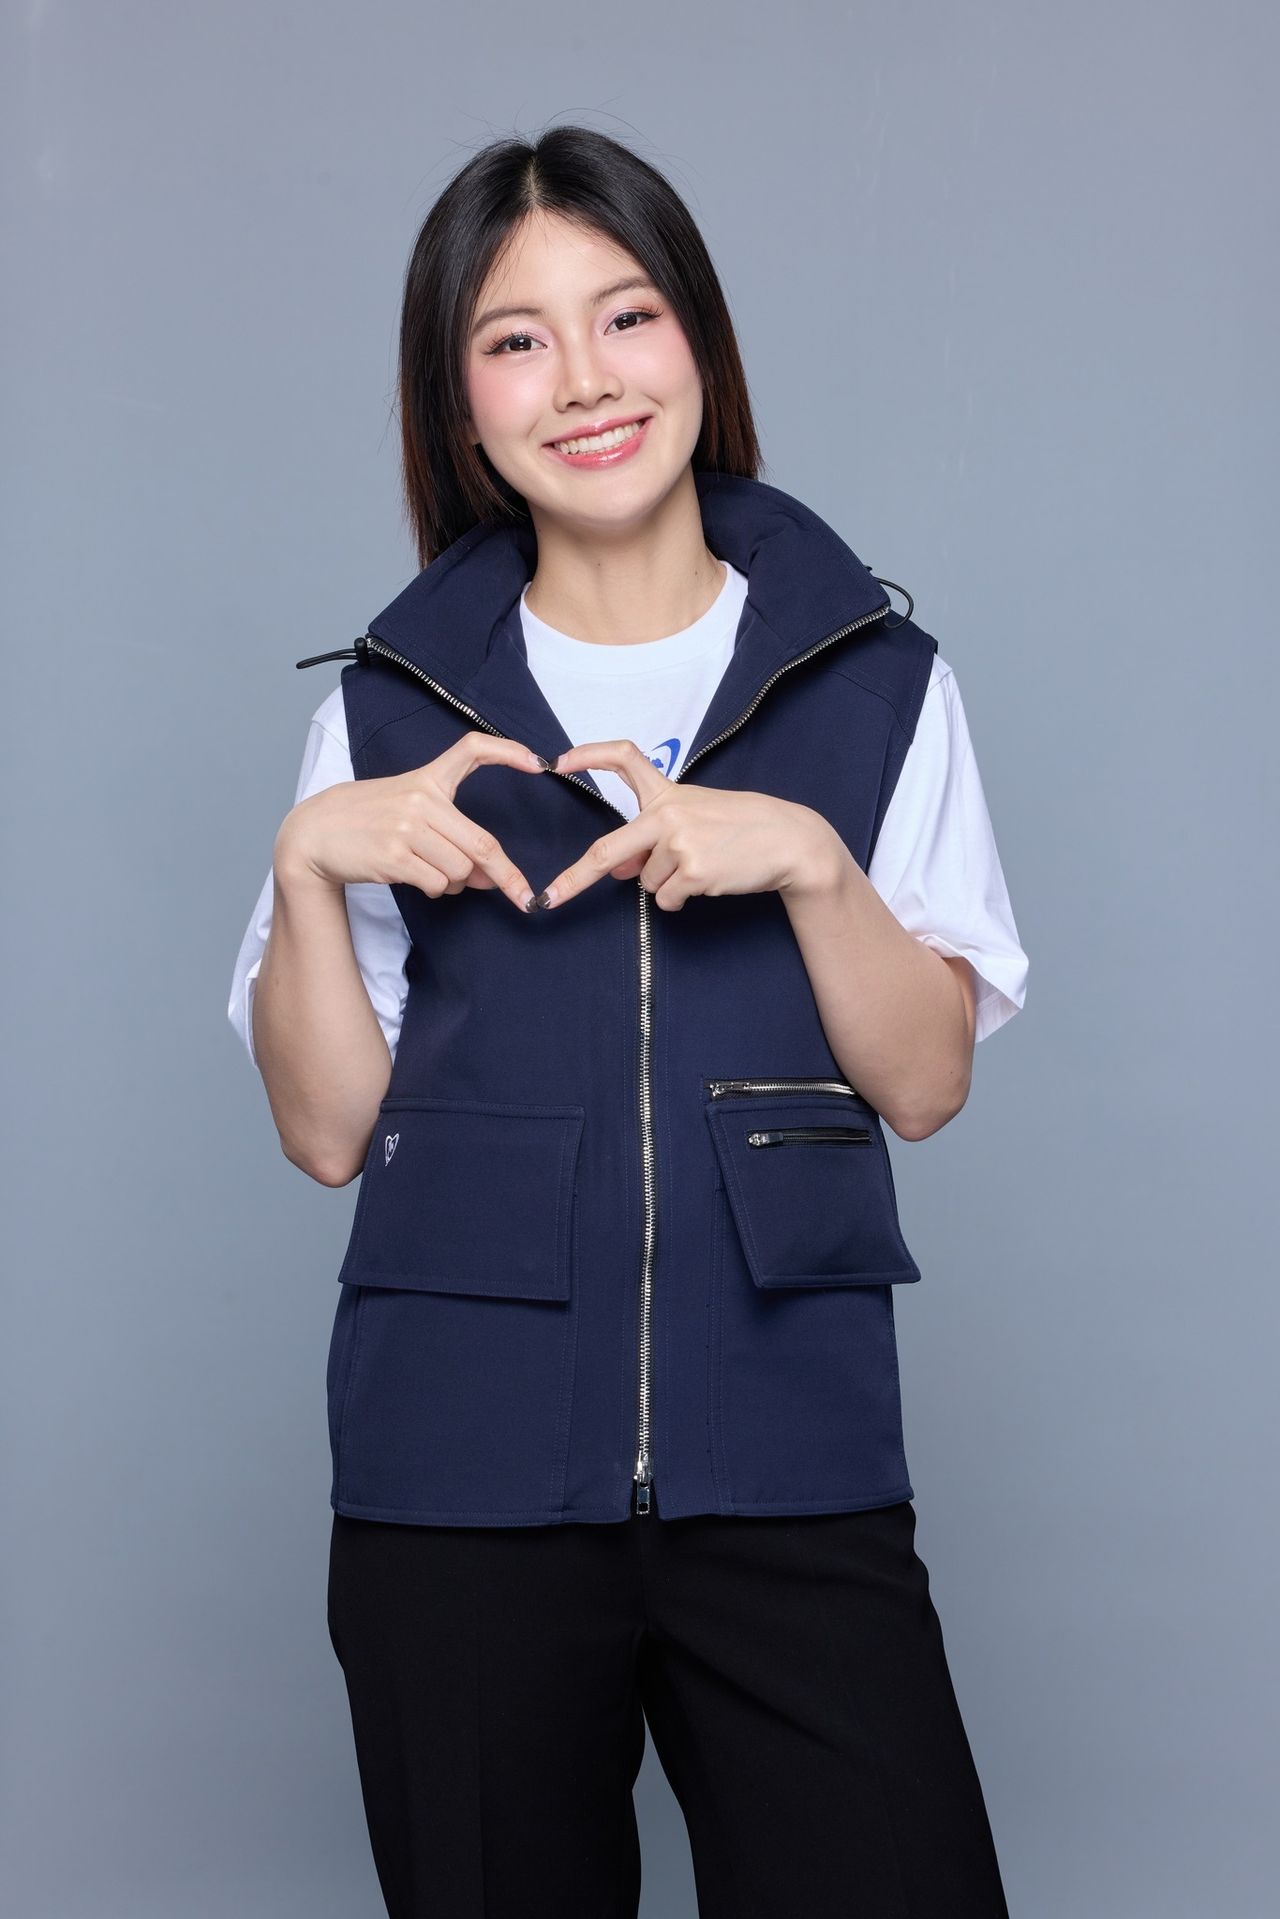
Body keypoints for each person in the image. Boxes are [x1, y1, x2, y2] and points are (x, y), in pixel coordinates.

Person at [228, 125, 1028, 1919]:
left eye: (627, 316)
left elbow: (923, 1083)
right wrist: (304, 868)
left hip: (794, 1463)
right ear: (462, 405)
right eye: (516, 340)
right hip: (458, 1485)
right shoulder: (385, 713)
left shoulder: (879, 685)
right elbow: (325, 1133)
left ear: (700, 344)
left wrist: (811, 863)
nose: (584, 380)